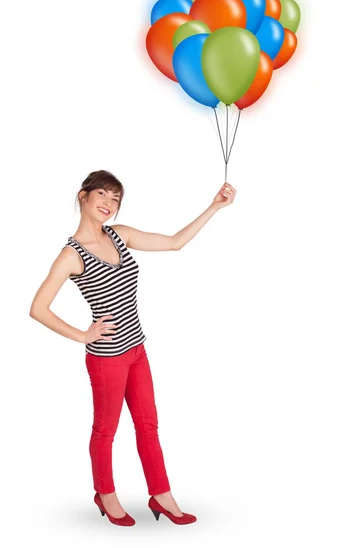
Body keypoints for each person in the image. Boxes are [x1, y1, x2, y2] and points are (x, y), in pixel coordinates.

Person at [29, 169, 236, 526]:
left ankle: (162, 494)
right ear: (84, 196)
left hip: (138, 350)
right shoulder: (71, 254)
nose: (110, 204)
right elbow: (37, 308)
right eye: (103, 195)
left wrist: (213, 207)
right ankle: (105, 494)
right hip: (106, 359)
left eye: (116, 198)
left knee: (148, 425)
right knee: (106, 430)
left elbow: (174, 242)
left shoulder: (119, 235)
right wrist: (82, 334)